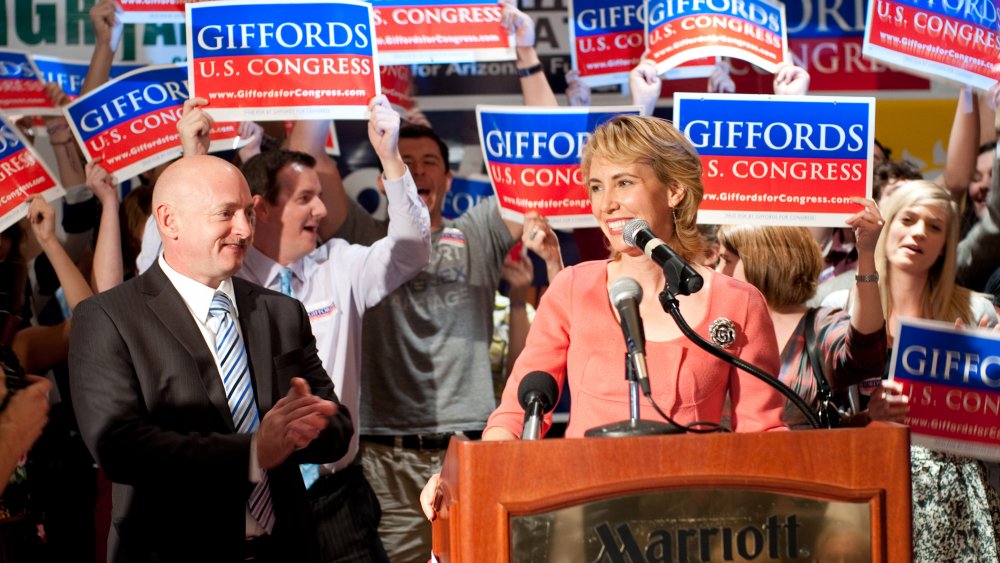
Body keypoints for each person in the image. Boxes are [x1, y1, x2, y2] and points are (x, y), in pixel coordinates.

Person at [68, 155, 354, 563]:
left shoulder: (281, 312)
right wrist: (254, 450)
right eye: (226, 213)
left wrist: (310, 427)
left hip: (287, 549)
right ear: (169, 221)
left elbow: (337, 424)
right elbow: (120, 448)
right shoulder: (108, 318)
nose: (244, 229)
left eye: (248, 213)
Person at [237, 97, 430, 562]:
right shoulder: (226, 282)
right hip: (253, 502)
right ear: (262, 209)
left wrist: (391, 158)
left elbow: (410, 251)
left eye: (319, 195)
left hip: (336, 496)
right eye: (305, 198)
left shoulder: (340, 262)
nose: (322, 210)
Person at [824, 180, 1000, 562]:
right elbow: (823, 417)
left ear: (945, 245)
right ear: (886, 227)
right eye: (908, 219)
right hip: (869, 481)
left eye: (934, 227)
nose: (919, 232)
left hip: (959, 500)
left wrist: (981, 379)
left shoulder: (977, 314)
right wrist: (870, 416)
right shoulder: (840, 305)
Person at [715, 217, 886, 427]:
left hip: (801, 457)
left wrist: (866, 255)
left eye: (726, 259)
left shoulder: (817, 326)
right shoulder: (717, 325)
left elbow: (866, 354)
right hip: (720, 457)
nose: (717, 270)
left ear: (760, 261)